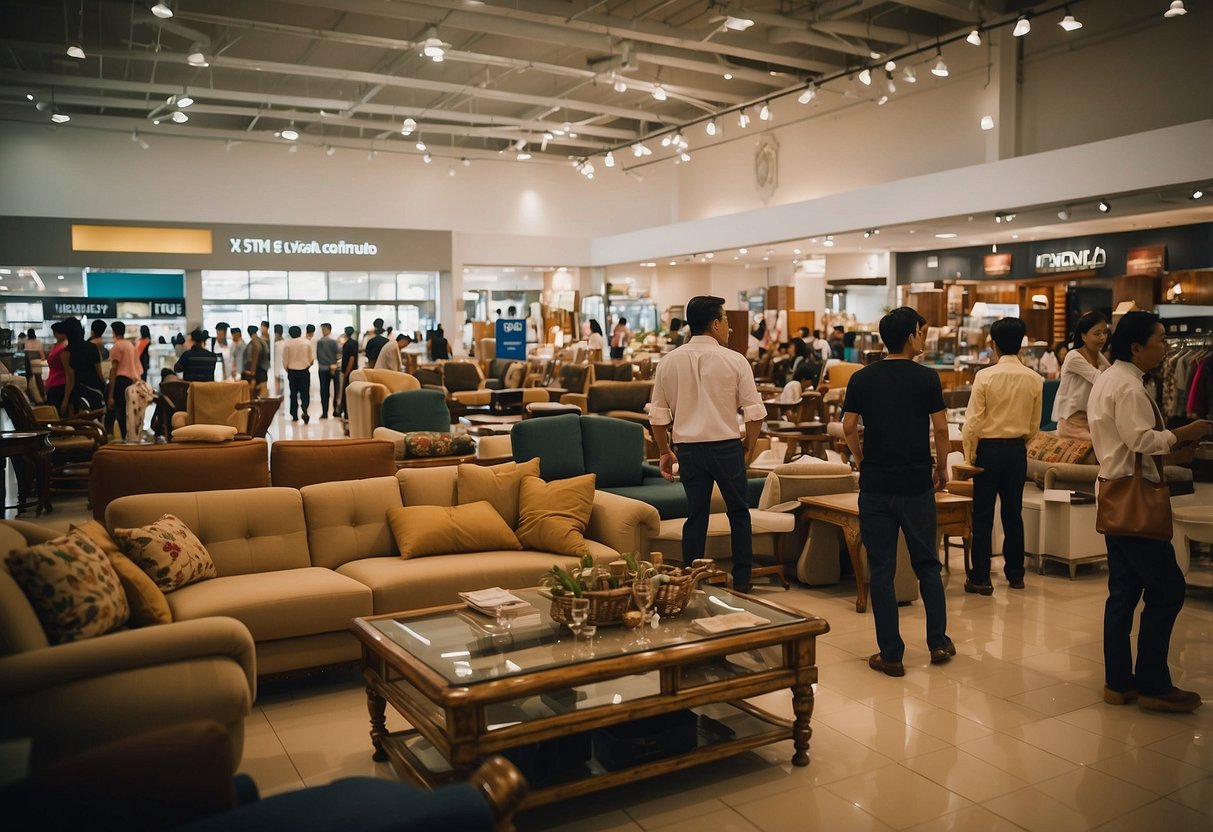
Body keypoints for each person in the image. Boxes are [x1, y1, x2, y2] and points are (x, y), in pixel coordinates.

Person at [1088, 311, 1211, 714]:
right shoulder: (1127, 386)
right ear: (1136, 346)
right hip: (1133, 497)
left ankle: (1119, 681)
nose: (1165, 347)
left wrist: (1173, 446)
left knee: (1123, 592)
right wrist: (1183, 433)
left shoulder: (1112, 379)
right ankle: (1154, 684)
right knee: (1168, 588)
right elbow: (1139, 439)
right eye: (1159, 340)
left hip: (1116, 492)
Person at [842, 307, 954, 677]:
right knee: (927, 566)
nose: (923, 338)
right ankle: (938, 642)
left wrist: (860, 459)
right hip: (915, 484)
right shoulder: (926, 378)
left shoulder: (862, 377)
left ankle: (891, 654)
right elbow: (940, 430)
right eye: (921, 332)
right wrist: (941, 468)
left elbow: (848, 426)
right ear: (910, 336)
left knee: (883, 570)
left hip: (875, 485)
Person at [649, 295, 766, 592]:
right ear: (715, 324)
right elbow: (754, 414)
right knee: (739, 513)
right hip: (727, 447)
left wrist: (664, 450)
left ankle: (693, 580)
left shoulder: (668, 361)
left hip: (688, 449)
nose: (729, 327)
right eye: (726, 320)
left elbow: (658, 417)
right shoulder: (735, 359)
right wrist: (748, 446)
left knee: (696, 516)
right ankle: (742, 582)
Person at [961, 317, 1043, 595]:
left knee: (983, 516)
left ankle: (981, 577)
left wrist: (970, 456)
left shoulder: (984, 377)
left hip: (988, 451)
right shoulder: (1035, 379)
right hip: (1016, 452)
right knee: (1013, 514)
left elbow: (973, 422)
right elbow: (1034, 425)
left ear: (993, 344)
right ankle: (1016, 574)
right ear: (1021, 344)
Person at [1053, 312, 1110, 440]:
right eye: (1097, 334)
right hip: (1072, 422)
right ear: (1084, 336)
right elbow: (1102, 380)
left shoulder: (1099, 356)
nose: (1102, 338)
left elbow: (1112, 376)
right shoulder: (1073, 357)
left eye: (1105, 332)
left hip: (1091, 420)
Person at [61, 316, 106, 415]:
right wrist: (105, 385)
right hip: (94, 390)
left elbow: (70, 379)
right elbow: (99, 372)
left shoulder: (67, 352)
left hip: (77, 392)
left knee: (78, 425)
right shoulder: (92, 347)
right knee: (95, 424)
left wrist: (65, 400)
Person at [106, 321, 142, 441]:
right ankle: (126, 436)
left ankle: (119, 436)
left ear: (114, 332)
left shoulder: (117, 346)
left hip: (120, 382)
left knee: (116, 410)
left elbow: (114, 369)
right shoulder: (130, 345)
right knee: (127, 411)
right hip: (131, 382)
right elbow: (137, 367)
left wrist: (110, 395)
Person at [282, 325, 315, 423]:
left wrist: (288, 370)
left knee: (293, 394)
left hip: (292, 372)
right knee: (305, 393)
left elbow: (285, 360)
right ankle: (305, 410)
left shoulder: (287, 344)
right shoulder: (307, 343)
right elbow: (312, 359)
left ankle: (294, 414)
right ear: (300, 332)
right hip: (304, 371)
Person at [315, 323, 340, 419]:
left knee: (324, 390)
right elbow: (338, 354)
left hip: (323, 369)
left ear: (328, 330)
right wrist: (333, 364)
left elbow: (318, 356)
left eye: (324, 329)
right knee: (336, 389)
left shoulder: (320, 342)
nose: (323, 331)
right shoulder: (334, 341)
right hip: (334, 368)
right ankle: (335, 410)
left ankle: (324, 412)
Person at [43, 321, 68, 412]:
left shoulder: (64, 347)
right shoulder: (57, 345)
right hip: (53, 381)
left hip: (60, 384)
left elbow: (67, 370)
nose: (55, 335)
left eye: (56, 333)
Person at [242, 324, 269, 396]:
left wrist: (252, 376)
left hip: (257, 375)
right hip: (263, 373)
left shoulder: (254, 343)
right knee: (262, 398)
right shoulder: (263, 342)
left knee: (257, 399)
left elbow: (254, 359)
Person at [339, 325, 359, 418]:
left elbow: (351, 358)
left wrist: (346, 373)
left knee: (346, 392)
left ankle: (346, 412)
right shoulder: (355, 343)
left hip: (349, 371)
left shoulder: (347, 344)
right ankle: (349, 412)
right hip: (354, 370)